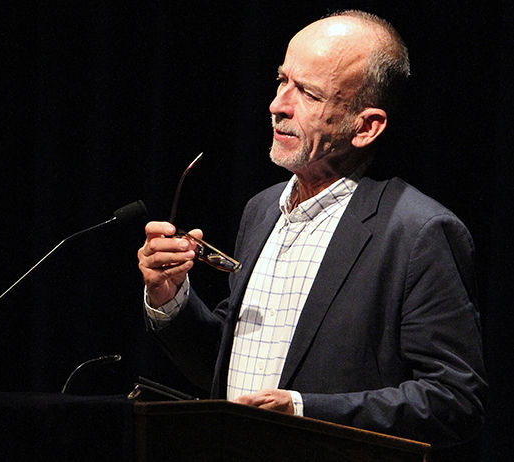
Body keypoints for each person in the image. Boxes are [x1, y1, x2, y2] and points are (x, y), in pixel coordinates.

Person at [137, 10, 486, 450]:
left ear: (366, 126)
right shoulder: (261, 210)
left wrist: (304, 411)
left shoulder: (419, 232)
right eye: (283, 80)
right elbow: (227, 368)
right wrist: (171, 297)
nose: (278, 104)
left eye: (308, 93)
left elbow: (454, 400)